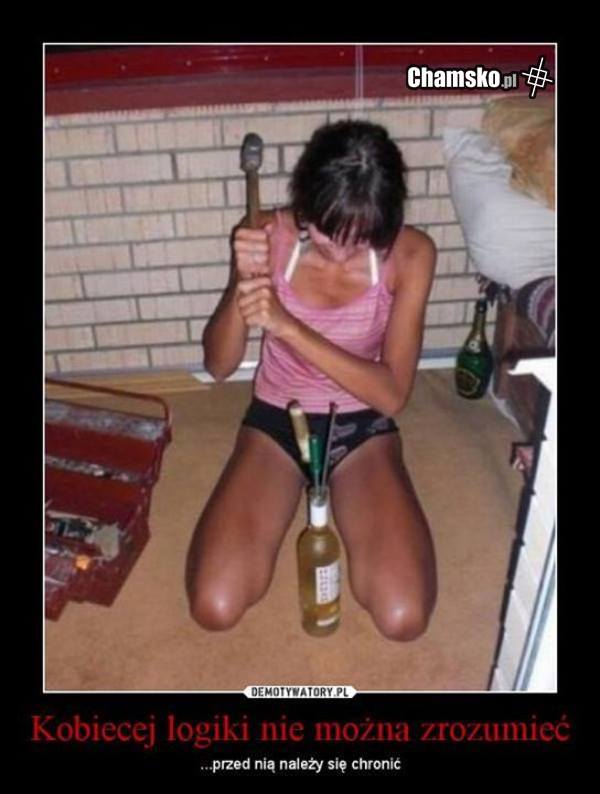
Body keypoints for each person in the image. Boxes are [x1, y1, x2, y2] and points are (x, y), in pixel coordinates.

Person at [185, 120, 438, 641]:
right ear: (305, 205)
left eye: (361, 240)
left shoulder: (411, 254)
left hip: (362, 426)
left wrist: (288, 327)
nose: (341, 253)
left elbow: (392, 394)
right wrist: (243, 281)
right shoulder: (267, 235)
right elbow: (218, 365)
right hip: (277, 420)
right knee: (214, 605)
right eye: (326, 235)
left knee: (404, 617)